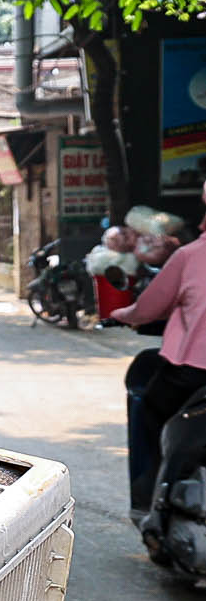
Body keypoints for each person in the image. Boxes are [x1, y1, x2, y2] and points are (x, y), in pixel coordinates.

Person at [112, 184, 206, 512]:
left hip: (192, 372)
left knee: (149, 409)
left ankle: (148, 498)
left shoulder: (190, 256)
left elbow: (148, 308)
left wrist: (122, 314)